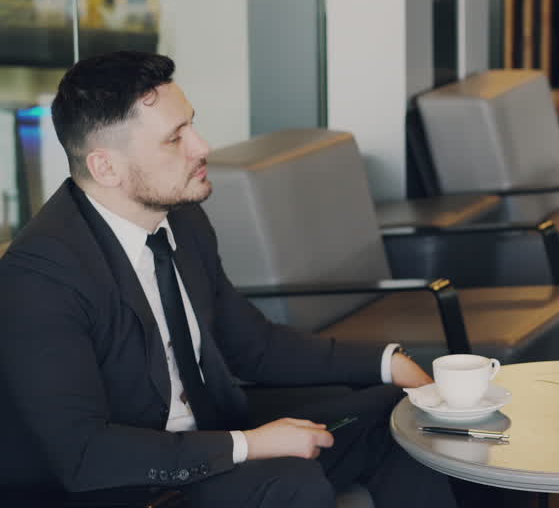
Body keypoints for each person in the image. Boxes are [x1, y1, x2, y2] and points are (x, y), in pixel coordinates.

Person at [0, 52, 456, 508]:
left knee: (398, 417)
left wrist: (386, 362)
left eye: (191, 126)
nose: (201, 146)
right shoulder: (40, 277)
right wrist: (249, 445)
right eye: (175, 138)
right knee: (290, 481)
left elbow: (255, 346)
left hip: (212, 439)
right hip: (128, 484)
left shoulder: (181, 220)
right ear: (106, 168)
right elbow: (84, 455)